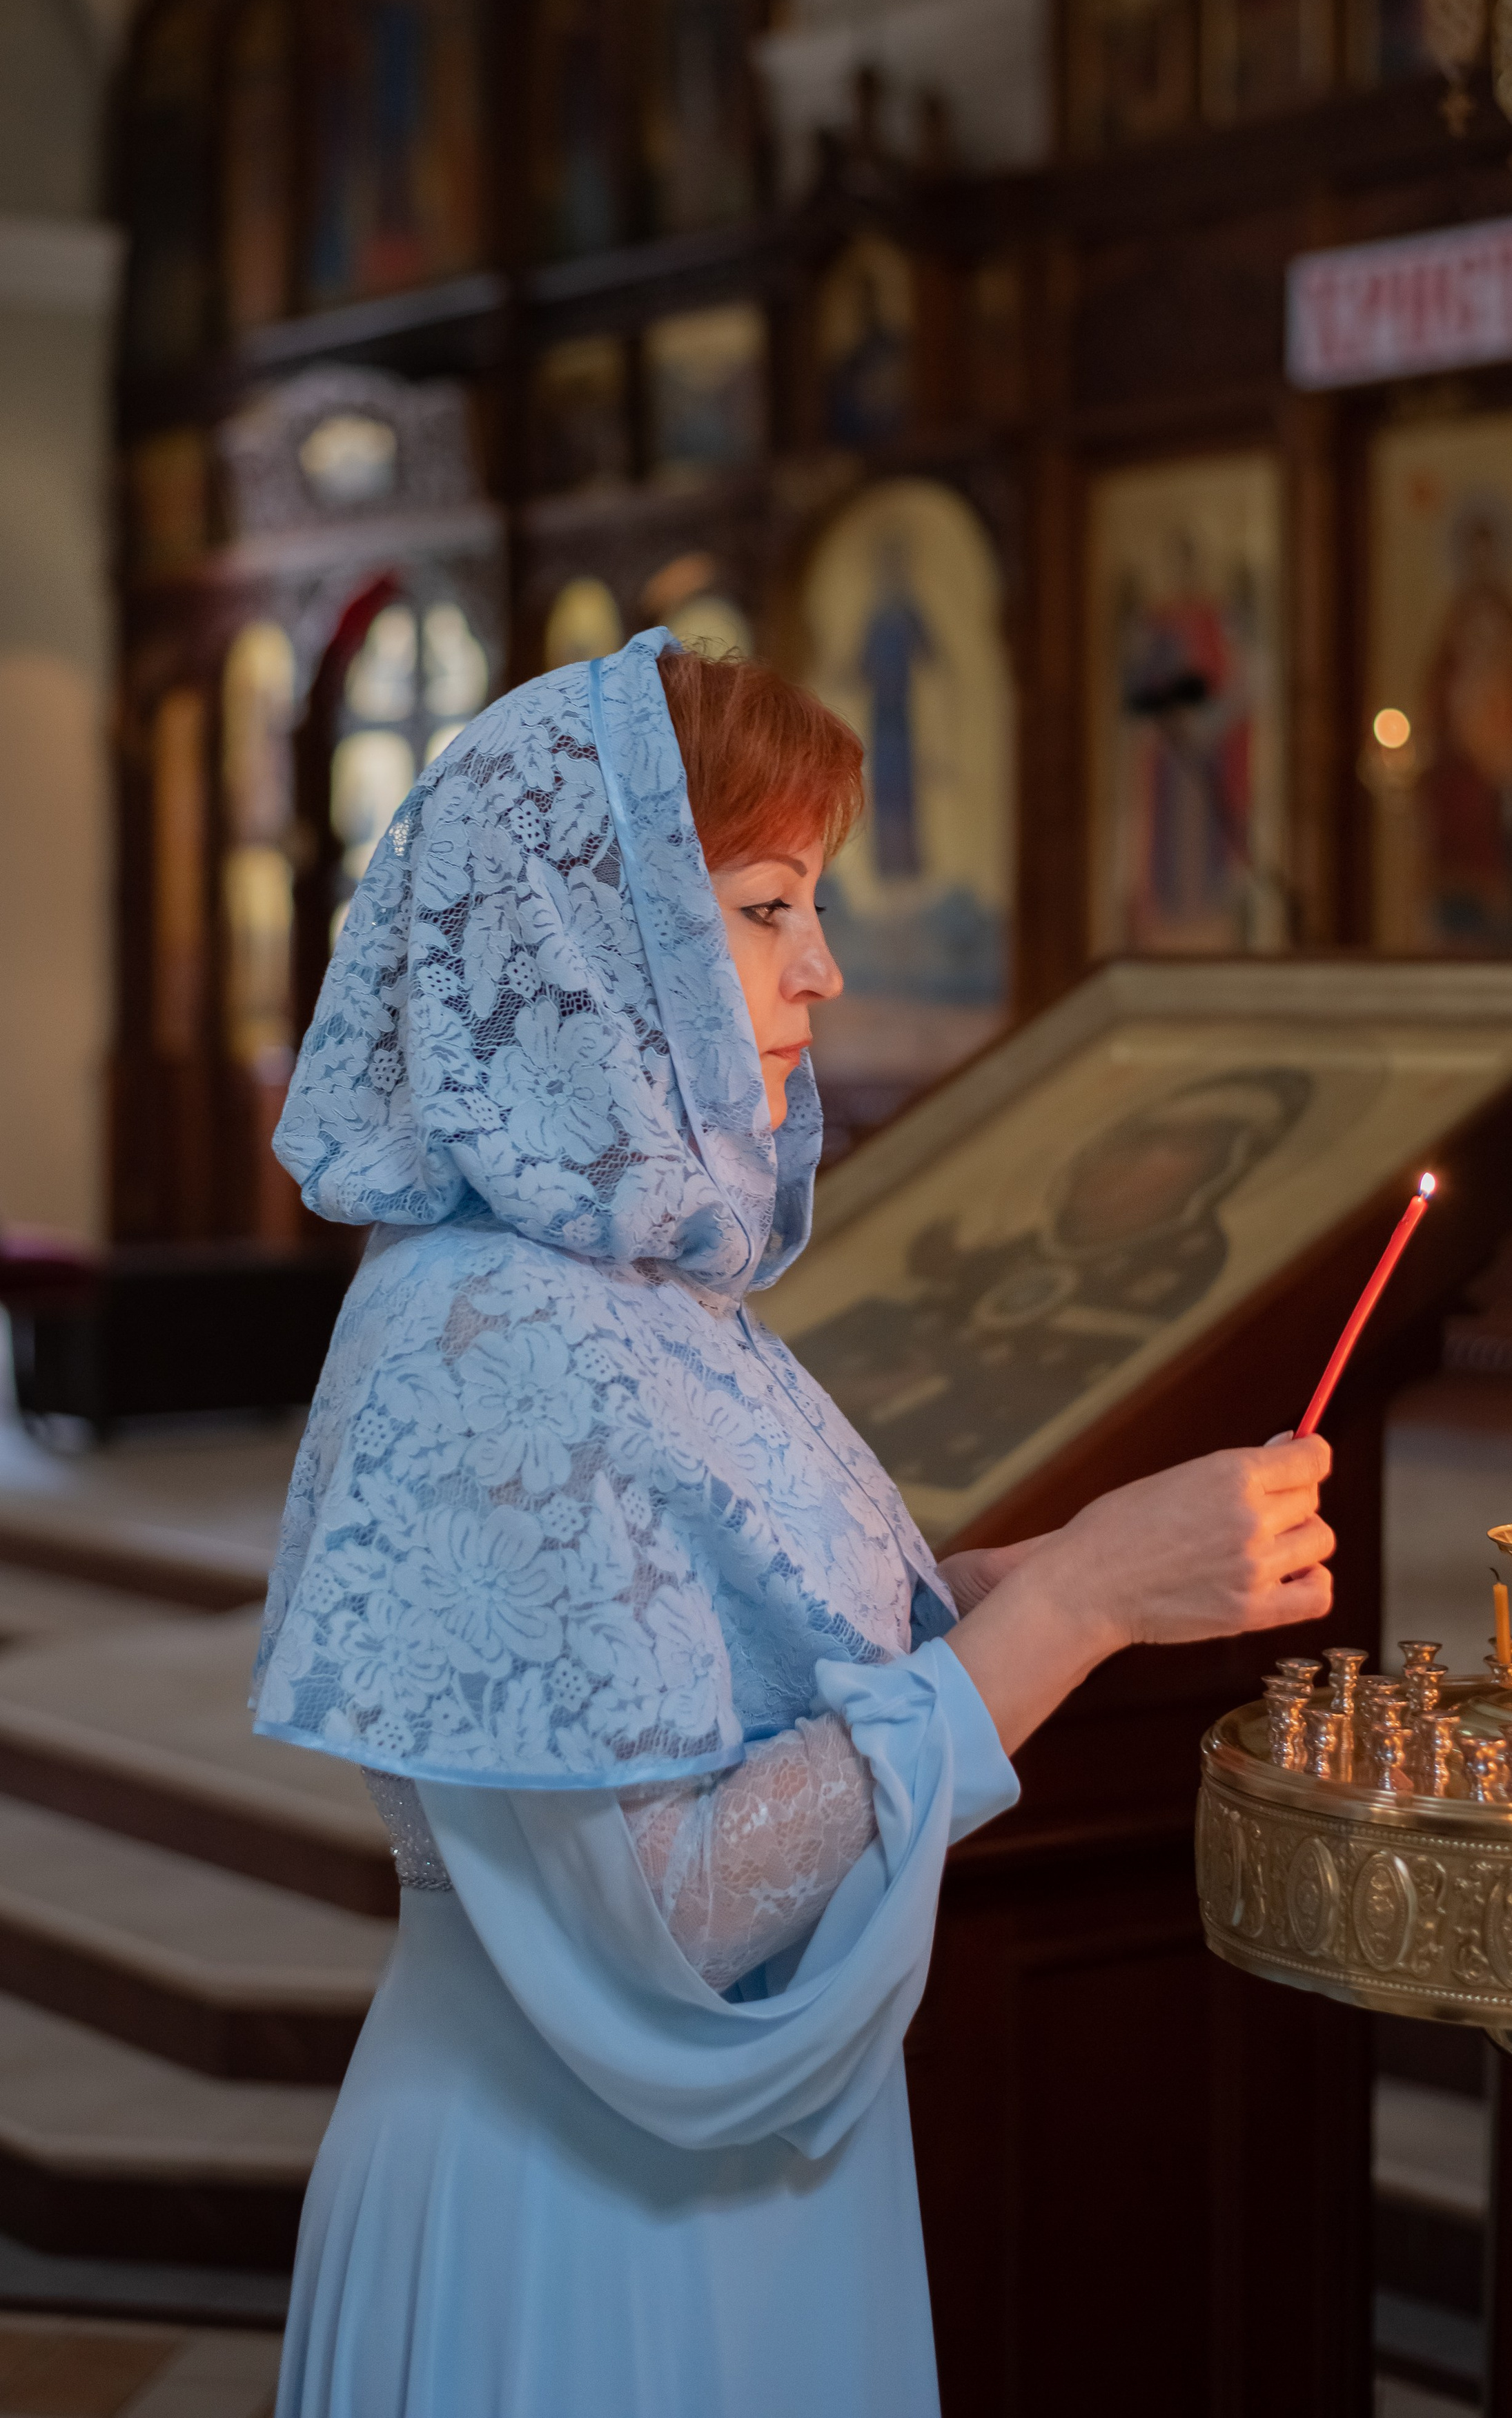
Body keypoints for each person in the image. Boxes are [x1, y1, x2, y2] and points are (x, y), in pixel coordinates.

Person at [255, 628, 1333, 2417]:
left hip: (697, 2192)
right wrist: (1071, 1601)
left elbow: (729, 1644)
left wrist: (1019, 1587)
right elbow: (674, 1908)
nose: (823, 970)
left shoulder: (634, 1290)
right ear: (600, 942)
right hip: (577, 2204)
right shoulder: (498, 1326)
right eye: (766, 909)